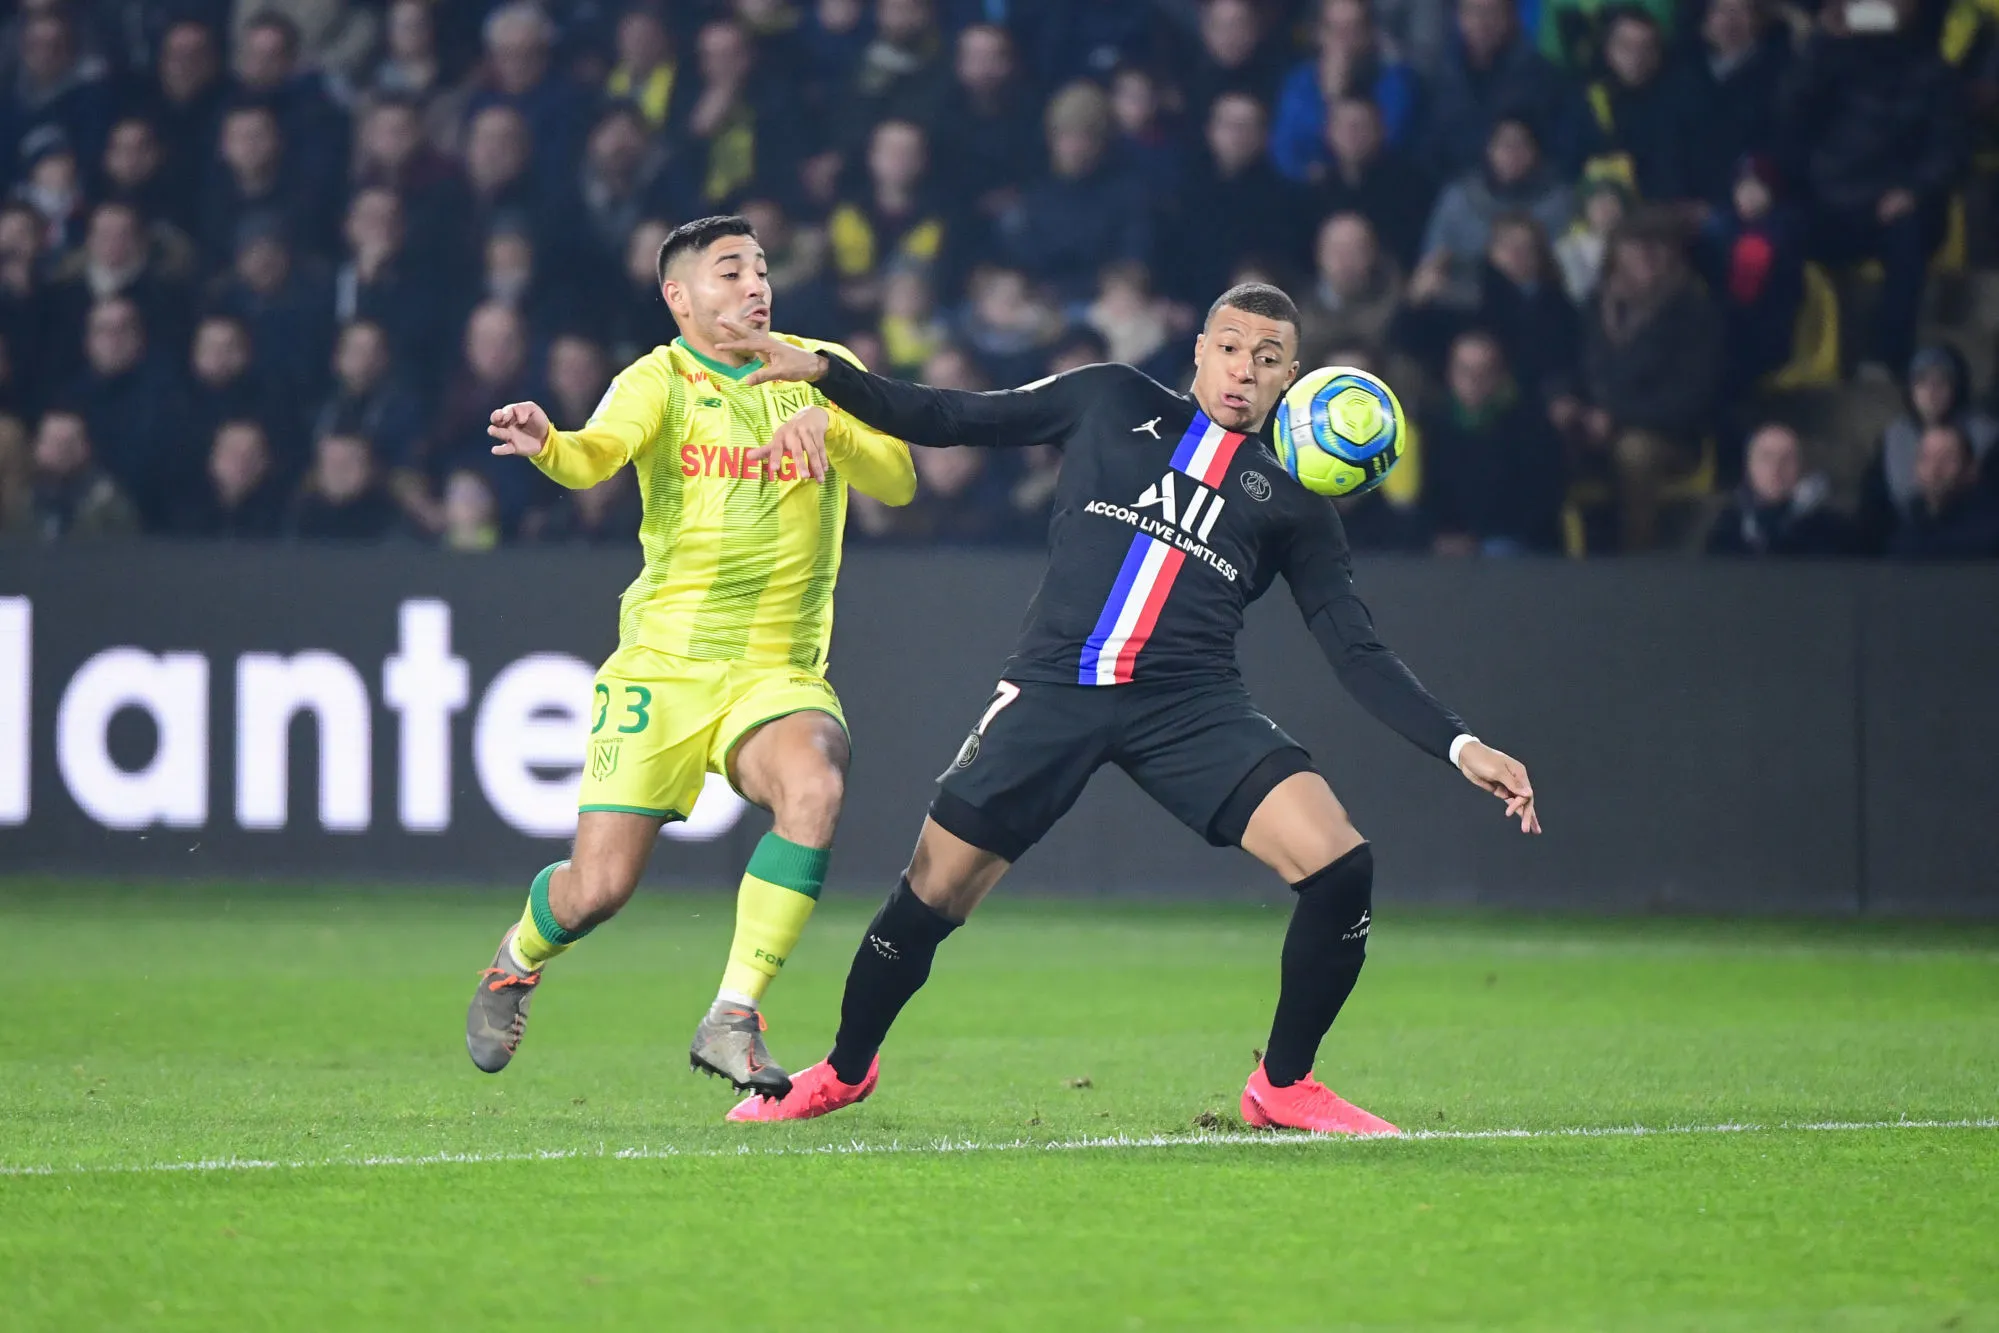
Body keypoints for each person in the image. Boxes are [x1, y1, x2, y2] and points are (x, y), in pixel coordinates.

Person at [711, 281, 1539, 1132]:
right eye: (1228, 348)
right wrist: (819, 370)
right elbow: (950, 414)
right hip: (1053, 687)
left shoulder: (1295, 502)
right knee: (929, 895)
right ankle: (845, 1069)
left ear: (1289, 377)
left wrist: (1458, 743)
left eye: (1264, 359)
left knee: (1341, 867)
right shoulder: (1109, 398)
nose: (1241, 372)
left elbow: (1355, 650)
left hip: (1189, 702)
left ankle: (1282, 1085)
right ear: (1198, 351)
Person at [466, 215, 916, 1101]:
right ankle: (515, 959)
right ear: (679, 298)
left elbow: (898, 479)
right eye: (729, 272)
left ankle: (733, 1013)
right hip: (663, 668)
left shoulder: (819, 368)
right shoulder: (659, 379)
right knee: (597, 889)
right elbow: (596, 455)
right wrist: (548, 442)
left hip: (775, 671)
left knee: (814, 783)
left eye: (759, 268)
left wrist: (836, 433)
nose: (755, 286)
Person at [1704, 422, 1852, 556]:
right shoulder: (1723, 526)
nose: (1776, 468)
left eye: (1787, 459)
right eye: (1766, 457)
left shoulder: (1832, 530)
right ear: (1750, 466)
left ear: (1802, 467)